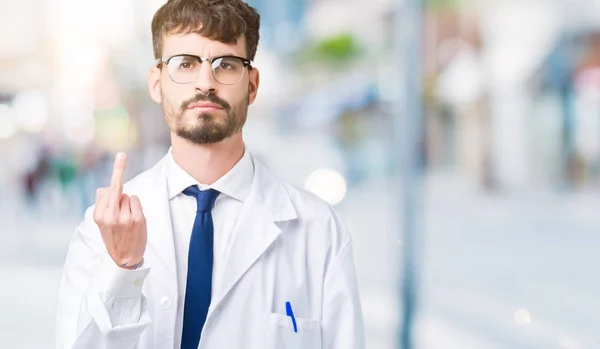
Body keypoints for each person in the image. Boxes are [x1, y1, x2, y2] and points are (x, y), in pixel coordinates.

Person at [54, 0, 365, 348]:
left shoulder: (319, 229)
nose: (205, 82)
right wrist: (123, 268)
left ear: (252, 84)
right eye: (185, 64)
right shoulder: (101, 232)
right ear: (157, 83)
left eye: (226, 65)